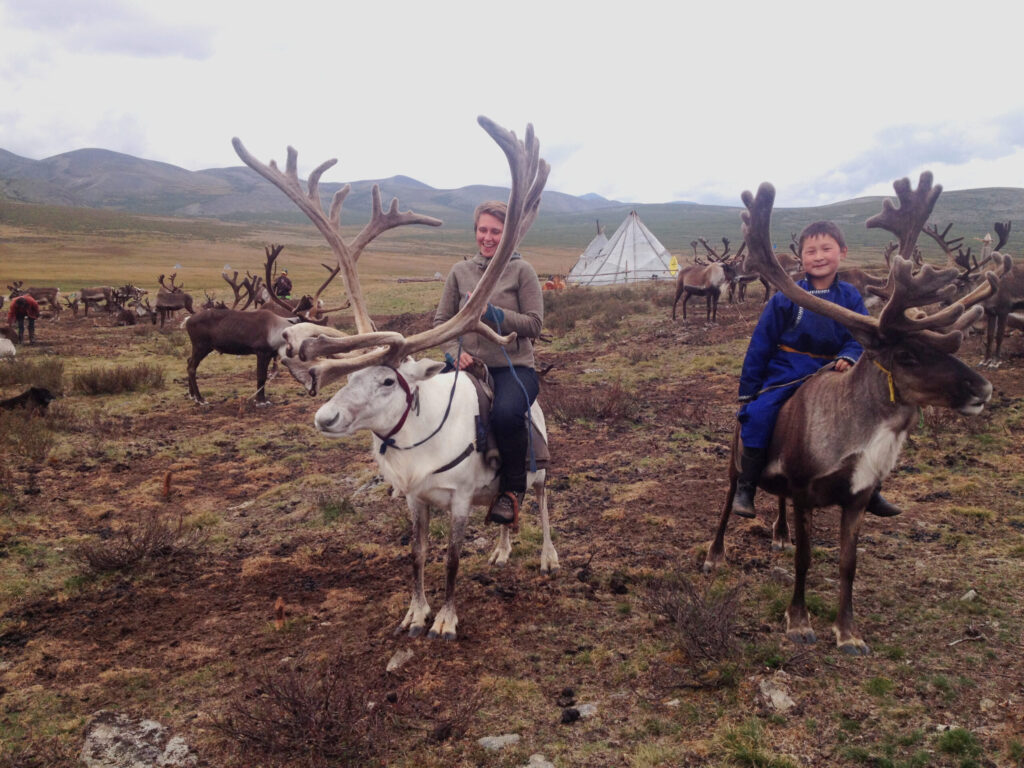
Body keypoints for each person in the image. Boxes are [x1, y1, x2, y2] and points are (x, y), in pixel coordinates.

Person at [732, 220, 901, 519]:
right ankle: (747, 485)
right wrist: (749, 391)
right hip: (788, 372)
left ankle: (871, 488)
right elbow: (761, 344)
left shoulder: (850, 296)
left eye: (826, 249)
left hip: (834, 373)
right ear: (801, 258)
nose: (819, 256)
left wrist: (849, 355)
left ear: (843, 252)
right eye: (811, 251)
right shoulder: (786, 297)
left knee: (867, 420)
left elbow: (861, 335)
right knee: (758, 415)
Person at [433, 201, 544, 525]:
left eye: (496, 231)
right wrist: (452, 353)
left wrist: (494, 314)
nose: (488, 237)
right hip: (467, 365)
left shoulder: (522, 271)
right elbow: (441, 322)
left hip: (514, 368)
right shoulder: (459, 272)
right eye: (483, 230)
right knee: (431, 405)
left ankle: (511, 491)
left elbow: (535, 325)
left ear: (508, 235)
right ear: (475, 231)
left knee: (506, 415)